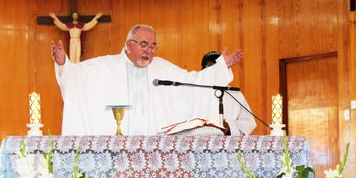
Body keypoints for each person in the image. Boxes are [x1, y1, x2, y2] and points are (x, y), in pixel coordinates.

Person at [51, 24, 244, 135]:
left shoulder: (162, 67)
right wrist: (63, 64)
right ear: (129, 45)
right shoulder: (104, 66)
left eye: (152, 46)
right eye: (144, 45)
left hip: (154, 150)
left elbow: (192, 82)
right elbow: (75, 77)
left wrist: (219, 68)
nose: (148, 51)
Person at [199, 51, 257, 135]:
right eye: (211, 69)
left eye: (218, 68)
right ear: (202, 70)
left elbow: (248, 123)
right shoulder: (196, 92)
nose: (215, 72)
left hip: (228, 143)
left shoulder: (235, 94)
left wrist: (229, 128)